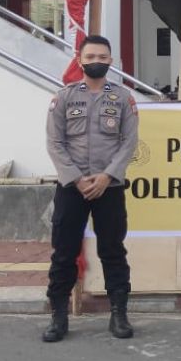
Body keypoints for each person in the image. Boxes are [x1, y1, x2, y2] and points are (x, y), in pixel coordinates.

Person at [42, 35, 139, 343]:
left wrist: (107, 176)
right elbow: (55, 143)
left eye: (102, 56)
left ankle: (119, 315)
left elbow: (129, 142)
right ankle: (58, 317)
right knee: (64, 253)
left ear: (110, 61)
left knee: (113, 251)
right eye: (91, 55)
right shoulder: (65, 97)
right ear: (80, 59)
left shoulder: (124, 98)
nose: (96, 60)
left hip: (108, 188)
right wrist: (76, 178)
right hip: (72, 187)